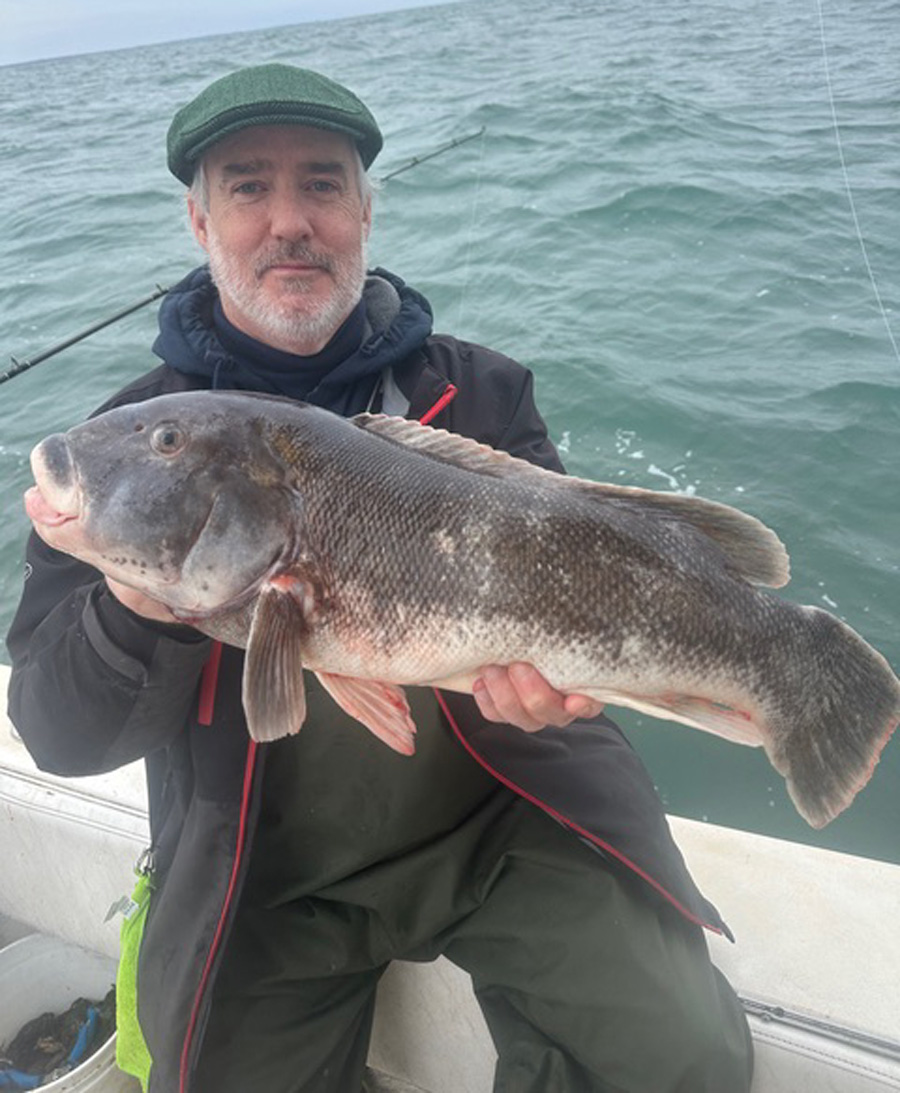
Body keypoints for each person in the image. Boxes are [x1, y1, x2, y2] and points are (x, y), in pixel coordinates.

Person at [6, 64, 753, 1093]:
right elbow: (60, 731)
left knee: (684, 1053)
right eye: (247, 188)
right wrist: (137, 605)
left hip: (502, 814)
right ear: (198, 220)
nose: (288, 222)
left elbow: (587, 579)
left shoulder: (482, 393)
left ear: (364, 211)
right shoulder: (127, 448)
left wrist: (555, 702)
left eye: (321, 184)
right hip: (267, 864)